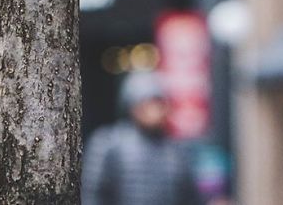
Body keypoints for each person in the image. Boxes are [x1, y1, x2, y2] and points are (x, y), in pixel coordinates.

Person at [81, 73, 203, 205]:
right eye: (148, 103)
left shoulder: (175, 152)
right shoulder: (107, 143)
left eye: (159, 103)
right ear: (133, 106)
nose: (155, 110)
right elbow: (92, 194)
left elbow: (191, 197)